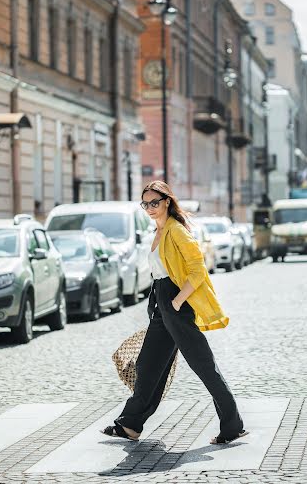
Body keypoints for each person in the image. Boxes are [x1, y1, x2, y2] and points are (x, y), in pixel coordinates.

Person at [102, 180, 247, 445]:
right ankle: (130, 424)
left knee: (202, 364)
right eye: (145, 204)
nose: (150, 208)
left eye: (154, 203)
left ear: (167, 201)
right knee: (148, 364)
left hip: (175, 303)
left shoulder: (176, 231)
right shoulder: (158, 231)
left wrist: (177, 302)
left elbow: (197, 270)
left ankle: (232, 425)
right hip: (161, 303)